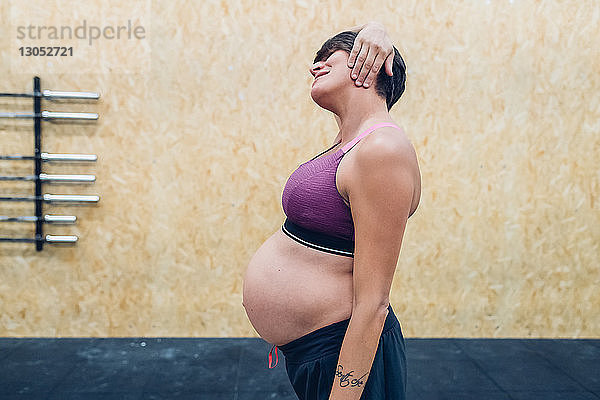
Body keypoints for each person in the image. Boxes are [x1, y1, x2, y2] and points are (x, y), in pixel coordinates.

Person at [242, 21, 421, 400]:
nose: (314, 67)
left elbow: (374, 303)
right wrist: (373, 30)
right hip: (315, 350)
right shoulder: (349, 144)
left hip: (344, 351)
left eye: (329, 58)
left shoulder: (382, 149)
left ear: (371, 63)